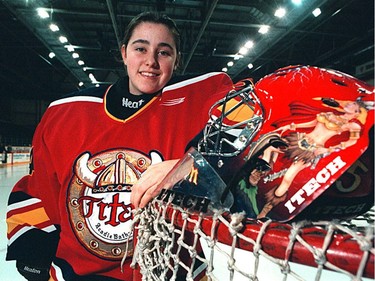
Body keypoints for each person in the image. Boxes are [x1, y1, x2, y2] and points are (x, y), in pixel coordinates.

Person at [6, 11, 234, 281]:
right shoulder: (66, 113)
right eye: (141, 48)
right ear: (124, 53)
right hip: (77, 274)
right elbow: (40, 189)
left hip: (169, 272)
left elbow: (255, 145)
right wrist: (35, 252)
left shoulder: (200, 102)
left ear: (177, 60)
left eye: (164, 52)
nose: (151, 61)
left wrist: (191, 164)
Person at [257, 98, 374, 219]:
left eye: (353, 104)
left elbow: (352, 142)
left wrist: (331, 149)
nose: (349, 103)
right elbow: (311, 124)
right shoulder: (330, 114)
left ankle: (267, 211)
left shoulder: (352, 125)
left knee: (287, 179)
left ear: (356, 112)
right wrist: (291, 126)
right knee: (270, 145)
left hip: (313, 150)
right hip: (299, 139)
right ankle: (260, 172)